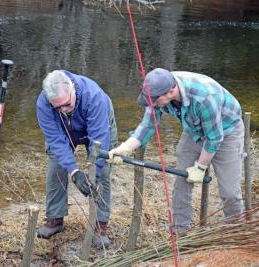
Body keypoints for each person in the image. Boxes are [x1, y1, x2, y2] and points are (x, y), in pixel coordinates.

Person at [109, 68, 244, 233]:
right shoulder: (159, 89)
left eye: (155, 100)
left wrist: (200, 167)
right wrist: (124, 148)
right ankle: (180, 232)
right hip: (194, 130)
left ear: (171, 91)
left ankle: (237, 231)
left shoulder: (205, 97)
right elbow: (147, 125)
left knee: (229, 192)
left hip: (226, 130)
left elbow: (214, 138)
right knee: (182, 182)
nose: (153, 103)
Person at [36, 70, 117, 248]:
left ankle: (100, 225)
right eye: (58, 107)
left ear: (72, 88)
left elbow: (99, 141)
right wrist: (74, 172)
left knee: (101, 172)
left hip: (98, 125)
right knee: (56, 167)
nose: (63, 110)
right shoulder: (44, 103)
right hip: (64, 129)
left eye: (66, 104)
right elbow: (56, 141)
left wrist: (92, 172)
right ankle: (55, 219)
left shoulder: (94, 97)